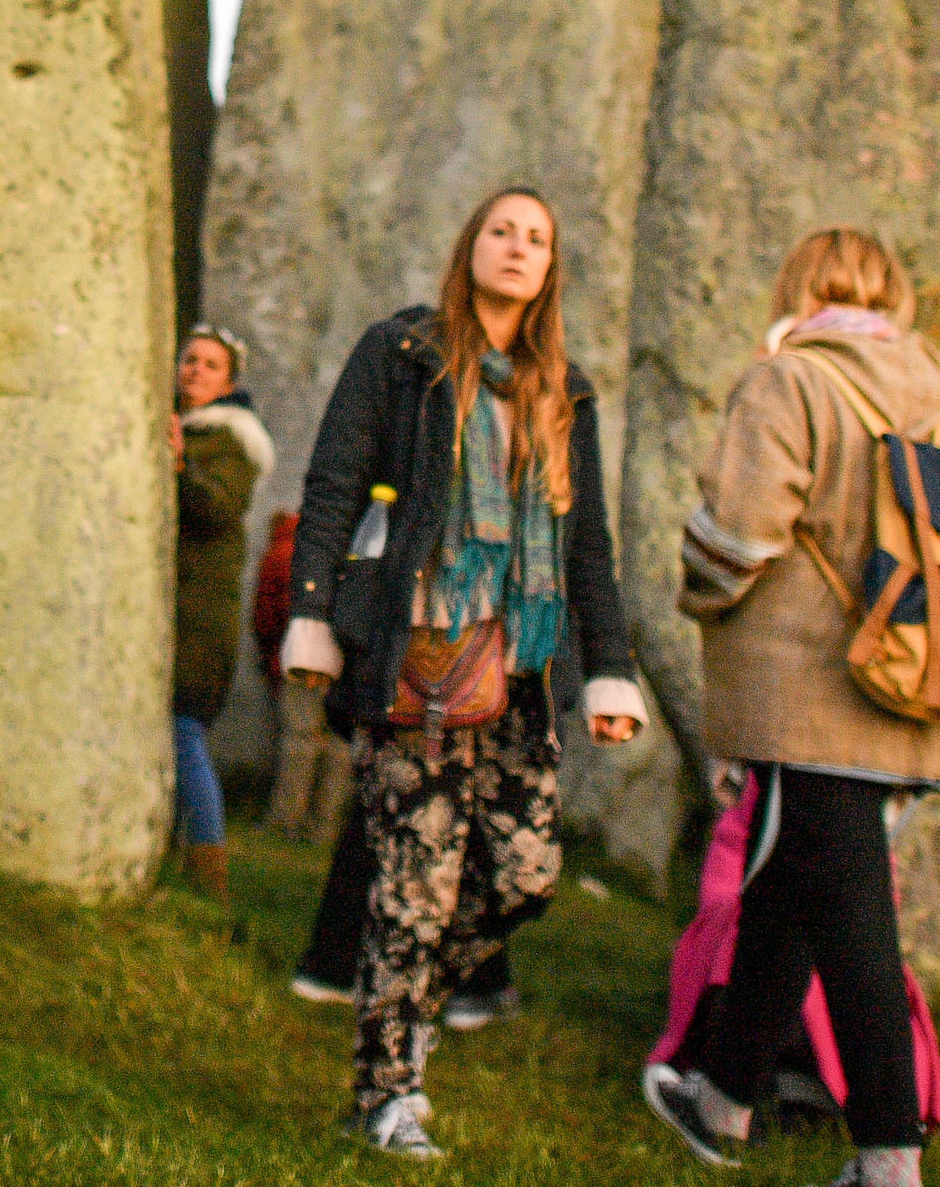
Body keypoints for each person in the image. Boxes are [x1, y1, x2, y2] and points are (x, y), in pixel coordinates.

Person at [280, 188, 645, 1160]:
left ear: (550, 266)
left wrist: (608, 668)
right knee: (414, 878)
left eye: (536, 237)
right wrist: (311, 613)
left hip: (518, 668)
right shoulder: (398, 356)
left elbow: (588, 548)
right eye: (500, 230)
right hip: (416, 654)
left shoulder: (564, 392)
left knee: (524, 874)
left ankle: (404, 1004)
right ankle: (385, 1090)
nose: (517, 247)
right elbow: (331, 482)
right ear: (468, 246)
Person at [644, 228, 940, 1187]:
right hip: (908, 686)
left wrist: (699, 592)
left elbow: (738, 533)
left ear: (795, 287)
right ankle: (720, 1101)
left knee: (853, 922)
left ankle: (889, 1162)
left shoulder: (790, 379)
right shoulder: (939, 394)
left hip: (808, 694)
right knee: (783, 888)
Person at [172, 323, 268, 900]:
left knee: (185, 732)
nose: (194, 371)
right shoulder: (183, 429)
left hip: (200, 619)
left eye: (210, 365)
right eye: (189, 359)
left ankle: (211, 876)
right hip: (178, 612)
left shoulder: (229, 440)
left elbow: (213, 509)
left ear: (229, 382)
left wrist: (180, 465)